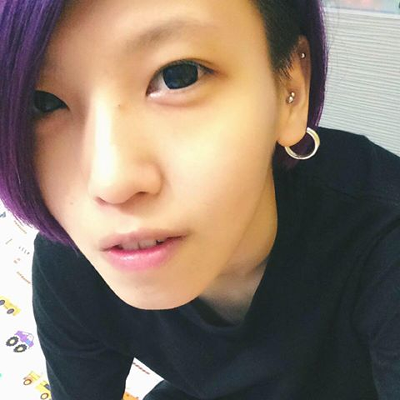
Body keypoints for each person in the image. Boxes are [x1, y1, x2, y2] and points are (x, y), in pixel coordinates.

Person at [0, 0, 399, 399]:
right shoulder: (72, 265)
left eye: (179, 75)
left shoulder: (382, 236)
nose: (111, 182)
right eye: (43, 102)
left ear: (290, 89)